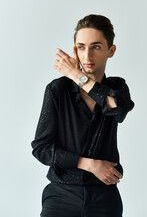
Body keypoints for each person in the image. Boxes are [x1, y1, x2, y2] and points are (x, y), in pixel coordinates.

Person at [31, 14, 135, 217]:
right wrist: (89, 164)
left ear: (111, 51)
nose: (87, 56)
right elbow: (41, 149)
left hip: (104, 196)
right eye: (81, 47)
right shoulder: (57, 90)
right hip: (61, 194)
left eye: (96, 47)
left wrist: (76, 76)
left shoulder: (117, 87)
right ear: (75, 50)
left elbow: (117, 109)